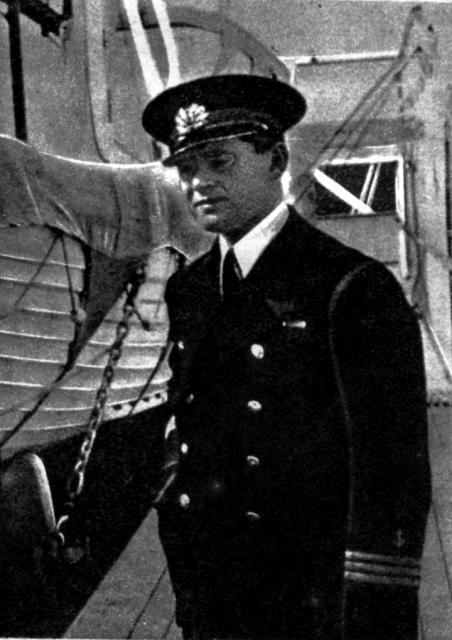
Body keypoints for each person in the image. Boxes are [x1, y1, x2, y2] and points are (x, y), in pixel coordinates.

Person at [141, 74, 431, 640]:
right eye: (186, 168)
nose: (199, 182)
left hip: (312, 598)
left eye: (219, 162)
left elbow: (393, 472)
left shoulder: (351, 287)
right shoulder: (191, 289)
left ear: (276, 160)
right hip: (213, 590)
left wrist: (374, 614)